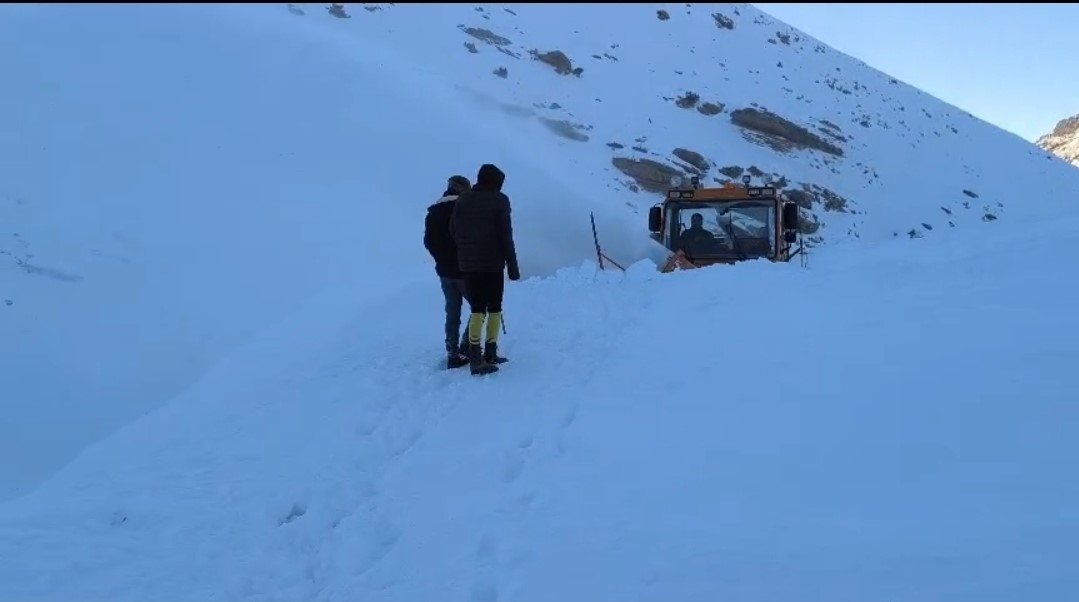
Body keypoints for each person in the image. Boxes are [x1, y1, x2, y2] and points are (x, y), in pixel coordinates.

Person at [450, 163, 520, 376]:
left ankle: (475, 355)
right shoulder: (500, 200)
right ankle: (489, 352)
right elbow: (506, 236)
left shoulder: (463, 199)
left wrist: (465, 250)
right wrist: (512, 266)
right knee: (495, 307)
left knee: (477, 308)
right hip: (492, 263)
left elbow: (453, 230)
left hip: (468, 264)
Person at [424, 174, 473, 369]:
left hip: (445, 272)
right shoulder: (465, 210)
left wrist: (441, 259)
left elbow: (428, 242)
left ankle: (452, 353)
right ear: (463, 189)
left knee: (452, 312)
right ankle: (468, 345)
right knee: (480, 307)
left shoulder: (433, 212)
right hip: (467, 271)